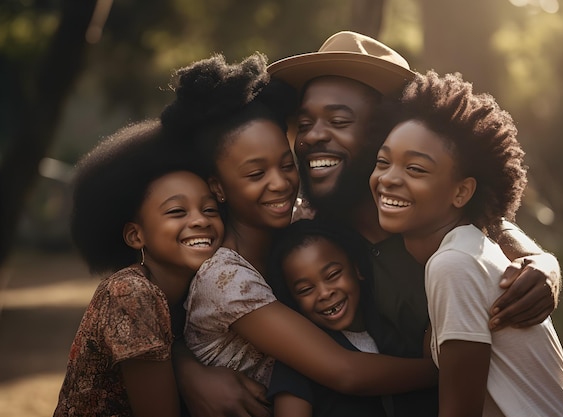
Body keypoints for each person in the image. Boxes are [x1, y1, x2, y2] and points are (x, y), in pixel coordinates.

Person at [266, 30, 563, 416]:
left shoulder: (442, 230)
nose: (312, 137)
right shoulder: (311, 233)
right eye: (304, 124)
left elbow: (491, 226)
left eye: (339, 120)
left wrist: (543, 263)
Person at [161, 52, 438, 416]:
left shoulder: (304, 225)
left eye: (286, 165)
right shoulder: (225, 278)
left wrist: (540, 264)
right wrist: (454, 367)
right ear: (219, 187)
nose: (280, 183)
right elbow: (345, 372)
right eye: (255, 174)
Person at [369, 70, 563, 416]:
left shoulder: (454, 263)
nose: (388, 179)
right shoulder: (469, 249)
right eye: (383, 162)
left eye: (415, 169)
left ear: (461, 191)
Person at [53, 119, 225, 417]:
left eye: (210, 209)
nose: (200, 220)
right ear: (136, 236)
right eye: (176, 211)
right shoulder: (131, 292)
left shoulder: (190, 293)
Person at [267, 218, 402, 417]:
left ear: (356, 269)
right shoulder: (299, 360)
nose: (324, 293)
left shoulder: (394, 324)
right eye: (305, 289)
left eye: (333, 275)